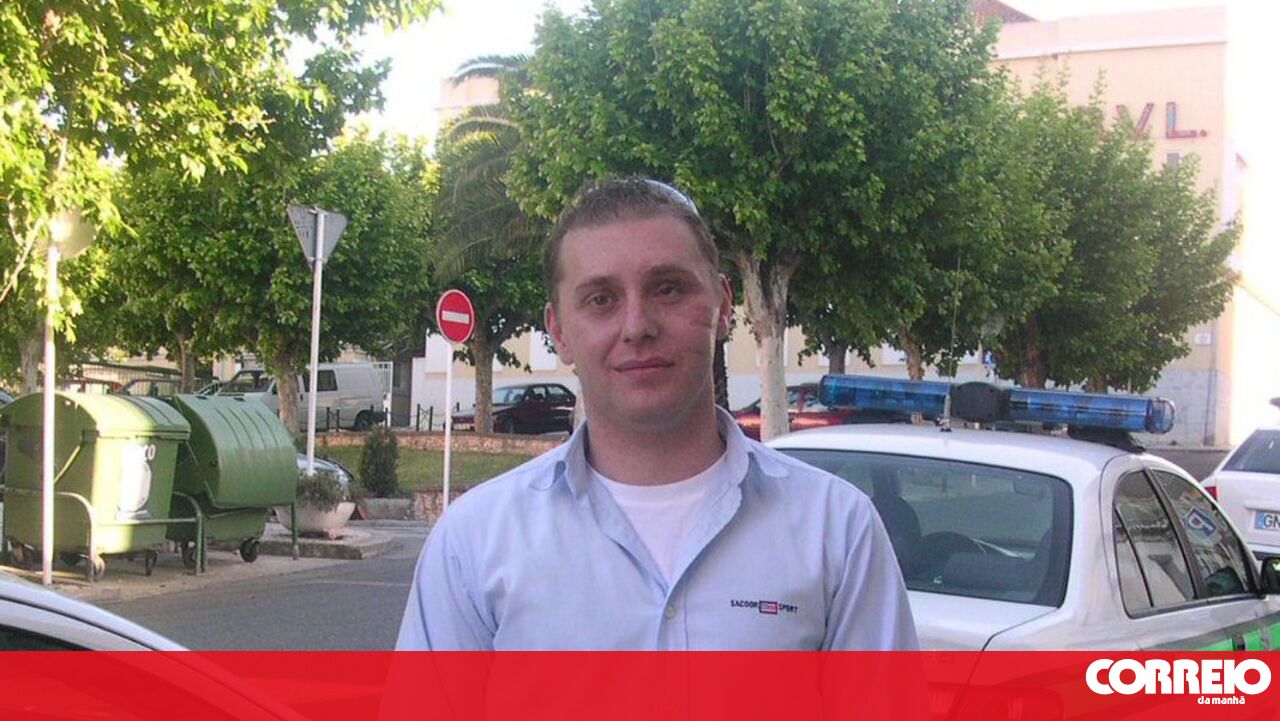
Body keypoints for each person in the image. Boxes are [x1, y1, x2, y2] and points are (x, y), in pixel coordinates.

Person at [396, 177, 917, 650]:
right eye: (601, 299)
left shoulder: (837, 529)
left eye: (667, 289)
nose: (637, 326)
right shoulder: (473, 543)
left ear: (723, 306)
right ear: (558, 332)